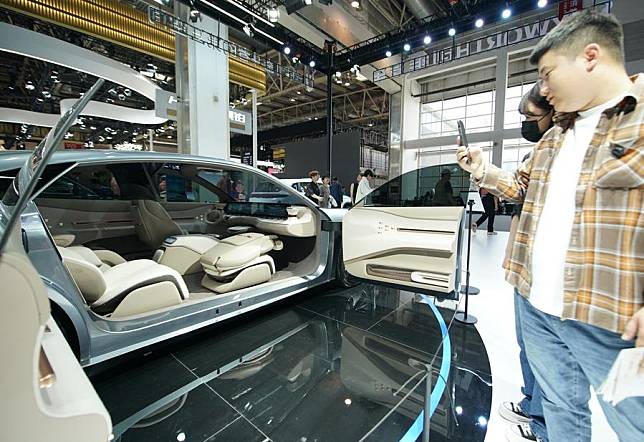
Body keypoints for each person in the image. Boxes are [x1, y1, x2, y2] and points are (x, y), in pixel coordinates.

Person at [457, 10, 643, 442]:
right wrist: (484, 170)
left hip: (609, 319)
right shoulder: (554, 137)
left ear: (589, 57)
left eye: (547, 74)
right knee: (559, 407)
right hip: (536, 303)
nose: (542, 89)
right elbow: (521, 189)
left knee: (632, 422)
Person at [501, 82, 554, 442]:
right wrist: (483, 171)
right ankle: (531, 404)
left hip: (550, 270)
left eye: (531, 117)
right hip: (527, 268)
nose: (526, 124)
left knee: (549, 359)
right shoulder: (541, 149)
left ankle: (543, 426)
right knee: (528, 346)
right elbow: (520, 189)